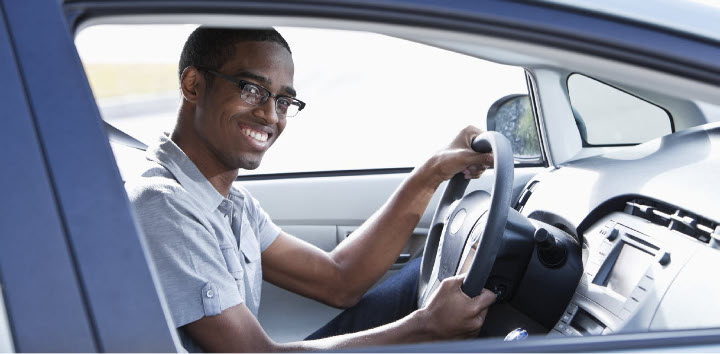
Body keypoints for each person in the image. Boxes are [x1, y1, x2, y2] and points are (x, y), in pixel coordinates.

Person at [125, 27, 496, 352]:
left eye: (283, 101)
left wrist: (433, 171)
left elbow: (340, 279)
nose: (271, 115)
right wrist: (427, 325)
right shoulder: (162, 205)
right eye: (252, 89)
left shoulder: (232, 204)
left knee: (423, 276)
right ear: (193, 85)